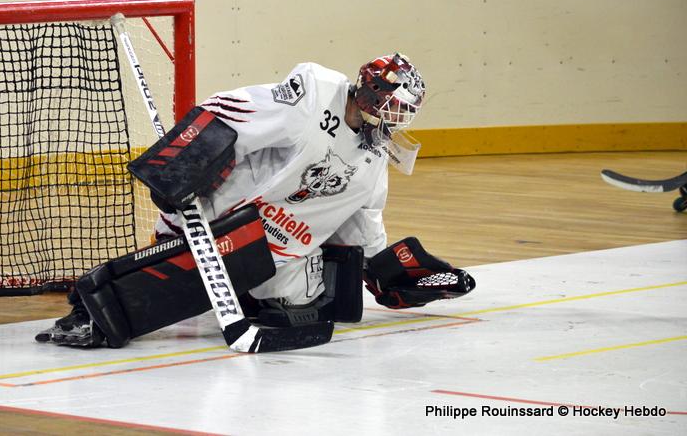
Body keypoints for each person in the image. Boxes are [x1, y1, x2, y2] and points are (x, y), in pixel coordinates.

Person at [36, 52, 475, 348]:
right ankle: (96, 313)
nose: (400, 119)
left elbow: (364, 227)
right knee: (171, 273)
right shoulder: (315, 92)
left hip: (275, 254)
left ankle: (249, 295)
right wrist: (182, 164)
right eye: (398, 106)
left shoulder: (375, 161)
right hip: (221, 213)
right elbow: (230, 110)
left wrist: (391, 273)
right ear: (374, 94)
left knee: (304, 300)